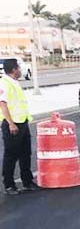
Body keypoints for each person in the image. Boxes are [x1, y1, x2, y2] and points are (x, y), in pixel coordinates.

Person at [1, 58, 38, 195]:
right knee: (11, 155)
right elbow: (3, 104)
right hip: (12, 125)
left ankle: (27, 182)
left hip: (22, 122)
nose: (20, 71)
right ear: (13, 69)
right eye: (19, 68)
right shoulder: (4, 84)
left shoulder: (14, 83)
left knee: (25, 154)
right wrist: (11, 123)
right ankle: (9, 185)